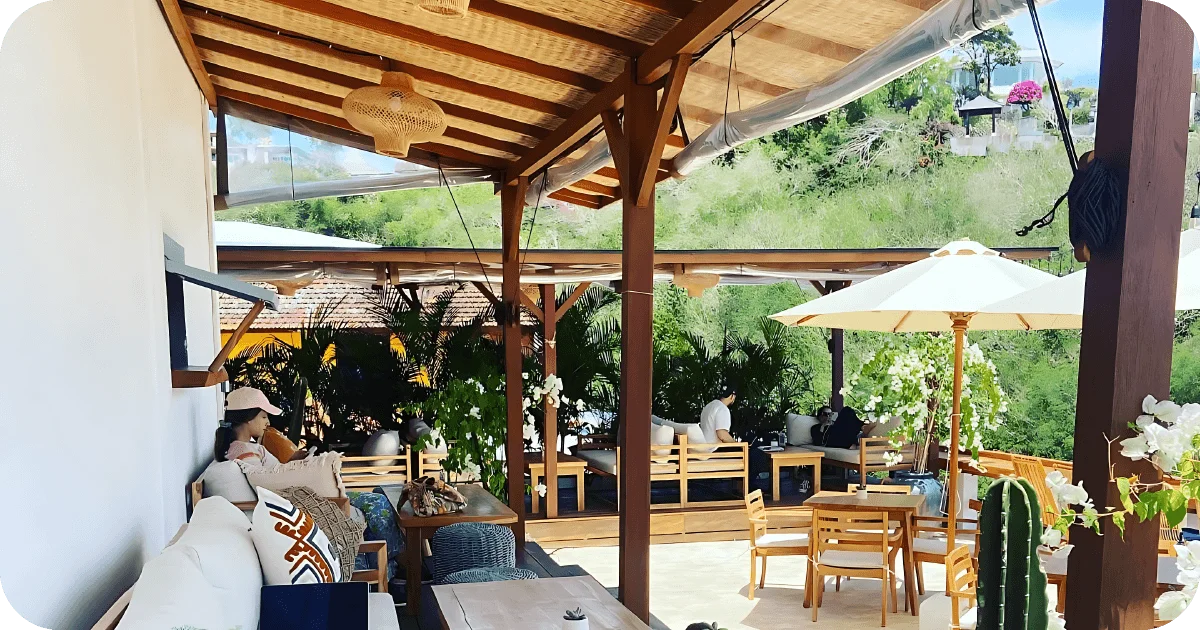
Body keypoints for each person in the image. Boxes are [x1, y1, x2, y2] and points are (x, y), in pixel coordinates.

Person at [214, 387, 287, 466]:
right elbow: (262, 477)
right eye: (264, 417)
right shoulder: (246, 453)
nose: (268, 423)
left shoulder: (239, 448)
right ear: (249, 418)